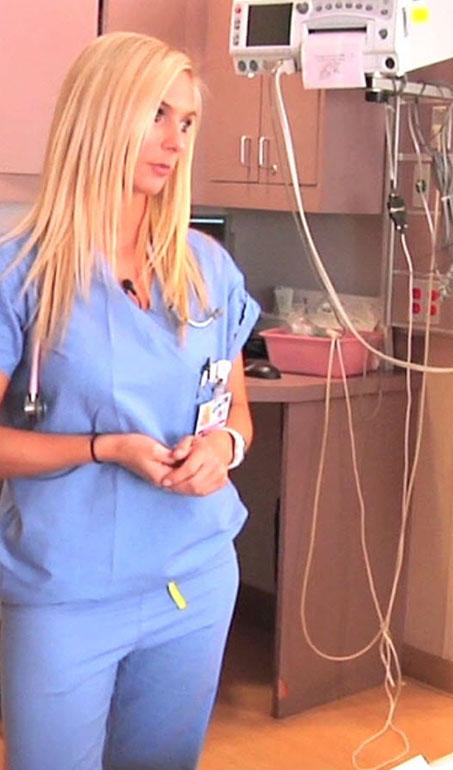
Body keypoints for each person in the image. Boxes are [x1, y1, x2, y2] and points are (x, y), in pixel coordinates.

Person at [0, 32, 259, 769]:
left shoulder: (207, 271)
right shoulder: (22, 276)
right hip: (66, 595)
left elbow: (236, 413)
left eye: (186, 122)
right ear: (101, 114)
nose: (175, 139)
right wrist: (101, 447)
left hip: (195, 581)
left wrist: (224, 449)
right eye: (156, 114)